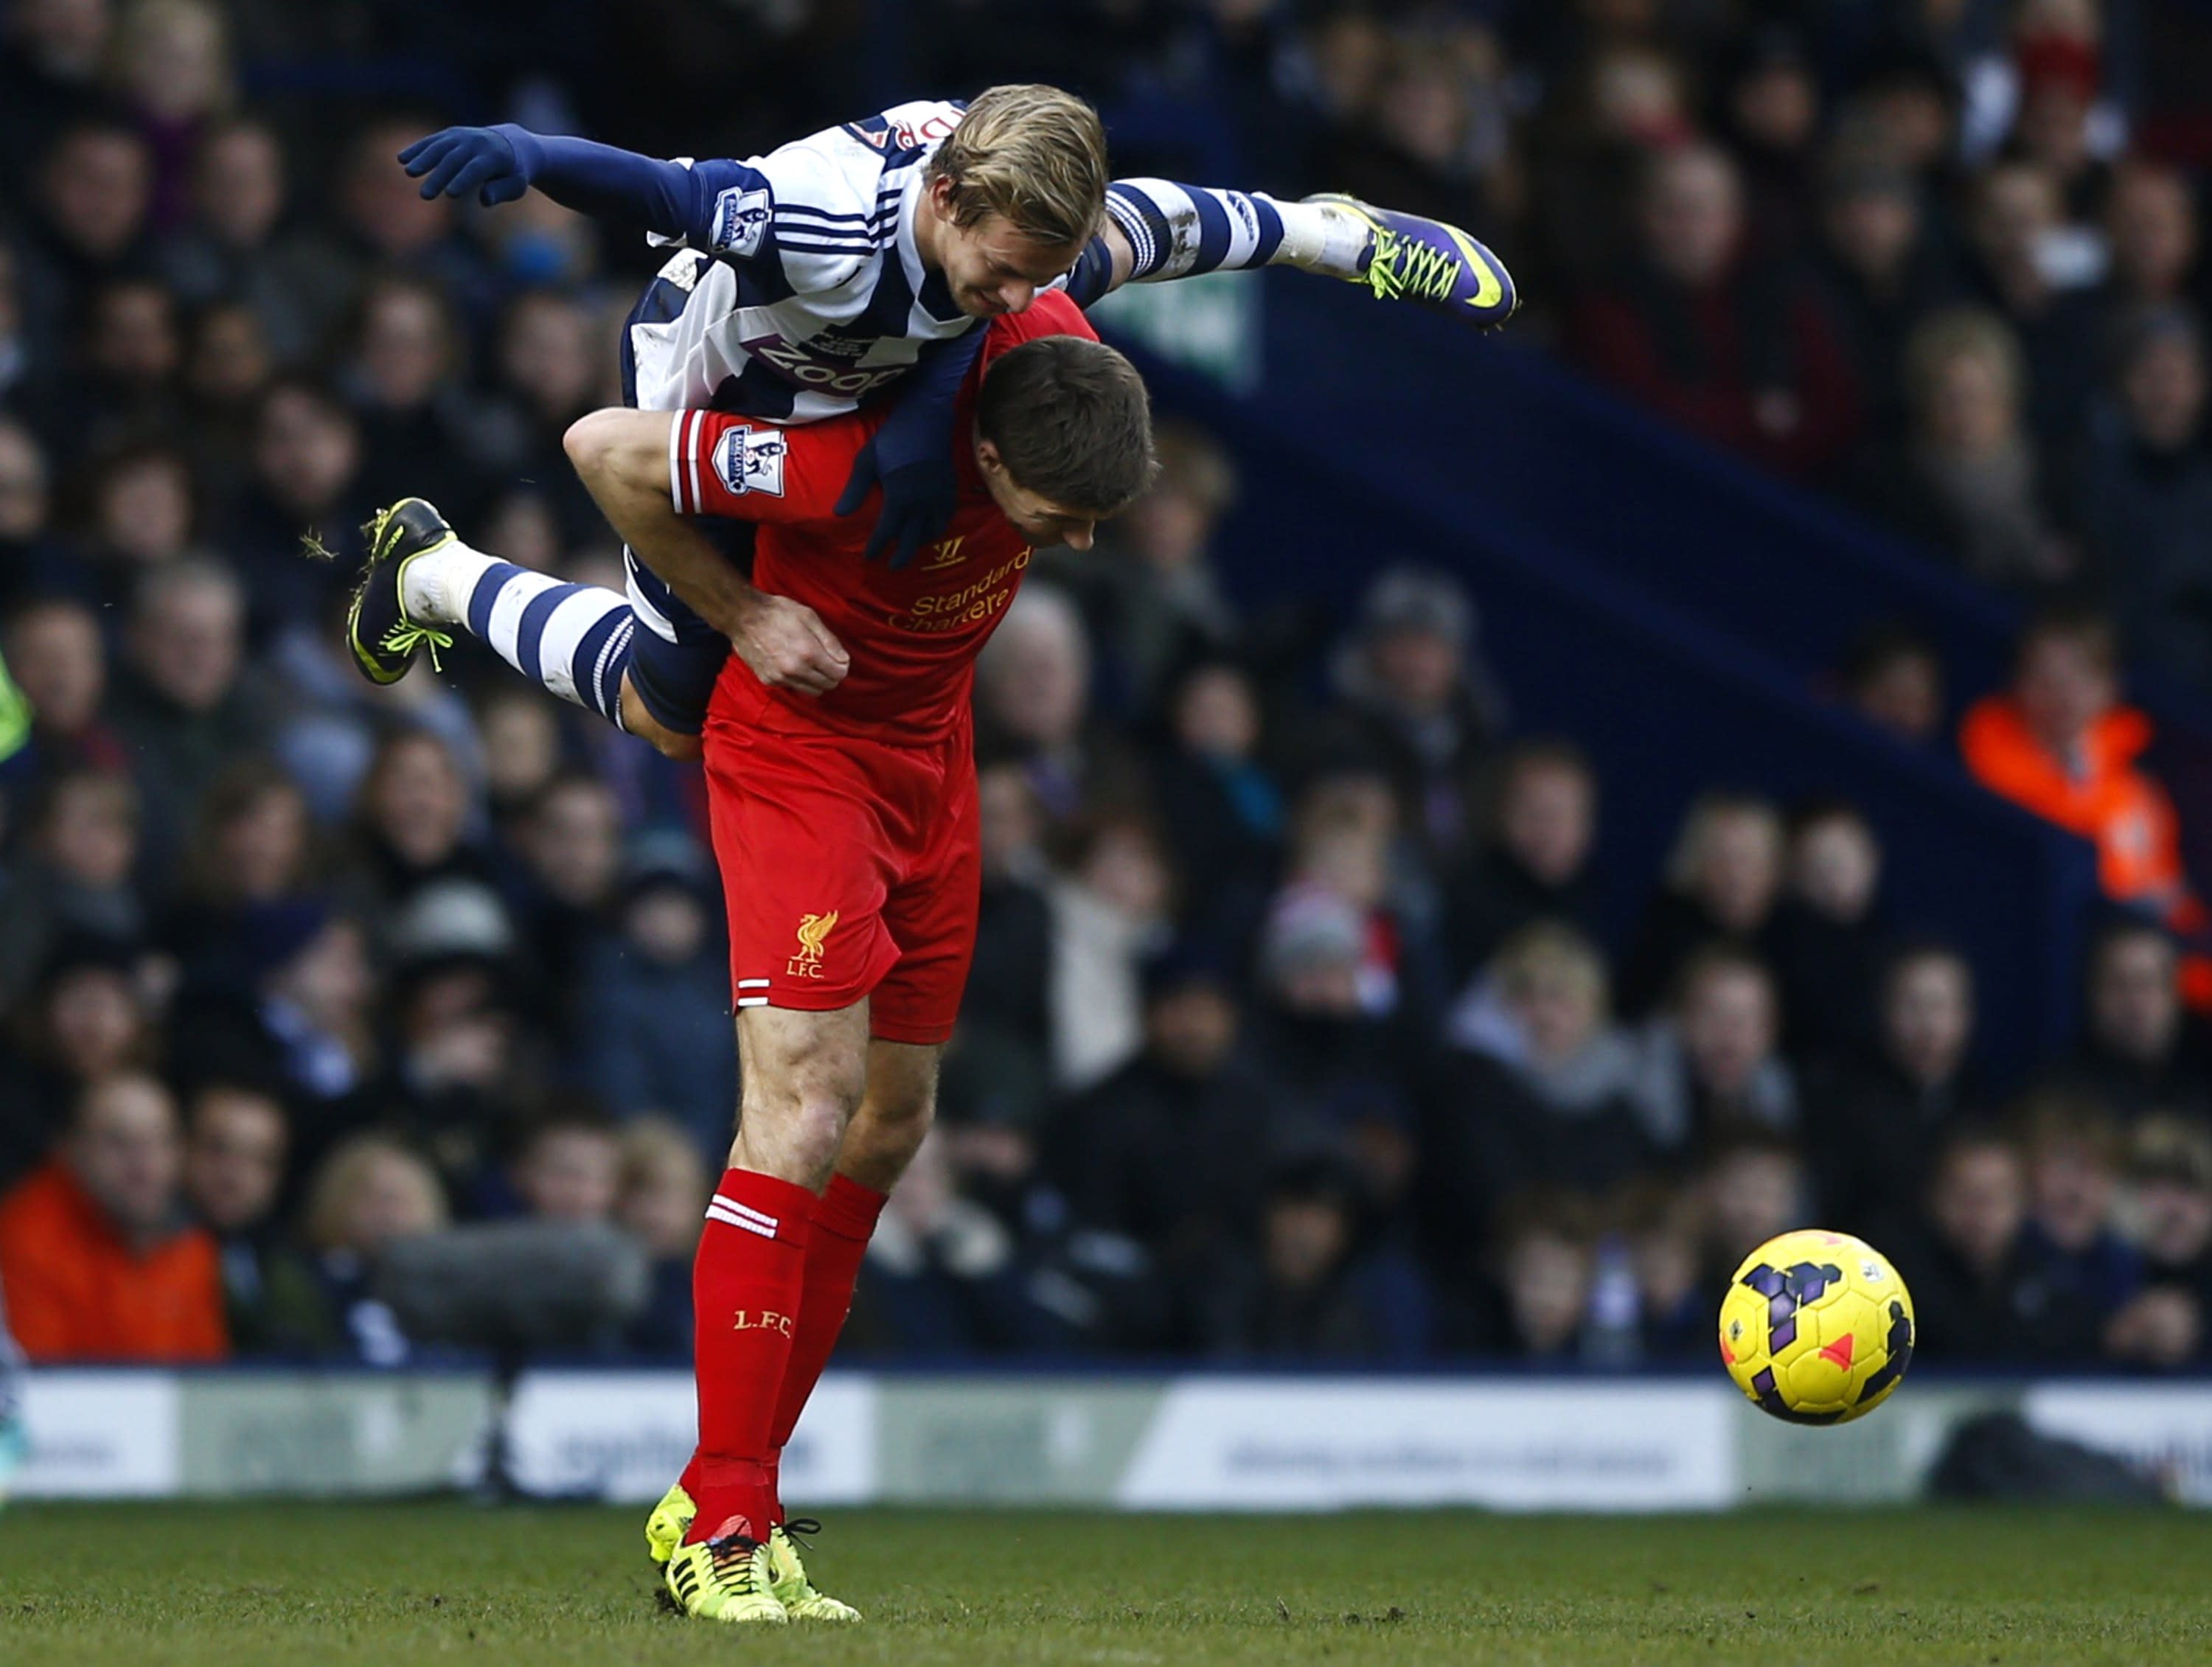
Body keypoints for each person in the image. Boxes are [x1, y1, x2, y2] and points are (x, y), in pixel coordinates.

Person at [345, 293, 1154, 1621]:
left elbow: (1162, 218)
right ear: (995, 459)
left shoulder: (1040, 313)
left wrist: (1352, 239)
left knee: (892, 1126)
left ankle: (739, 1495)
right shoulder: (849, 465)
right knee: (801, 1110)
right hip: (803, 754)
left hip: (931, 760)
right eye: (1058, 512)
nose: (1071, 541)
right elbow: (607, 447)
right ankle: (722, 1514)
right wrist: (741, 610)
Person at [372, 84, 1514, 770]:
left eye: (1041, 272)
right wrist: (529, 156)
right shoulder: (814, 224)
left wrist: (1340, 244)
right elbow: (667, 191)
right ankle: (435, 571)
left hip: (877, 361)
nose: (1027, 300)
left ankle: (1351, 225)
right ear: (947, 202)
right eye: (1008, 273)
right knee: (675, 714)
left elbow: (1178, 224)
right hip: (725, 383)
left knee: (1117, 268)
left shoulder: (1023, 216)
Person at [1959, 601, 2199, 934]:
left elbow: (2169, 897)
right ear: (2018, 681)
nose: (2062, 691)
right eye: (2045, 674)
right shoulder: (1989, 751)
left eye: (2080, 674)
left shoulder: (2138, 790)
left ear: (2110, 687)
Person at [0, 1072, 227, 1362]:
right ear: (73, 1149)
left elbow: (208, 1379)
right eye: (119, 1142)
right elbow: (42, 1384)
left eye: (160, 1141)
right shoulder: (27, 1236)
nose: (144, 1164)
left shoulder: (192, 1242)